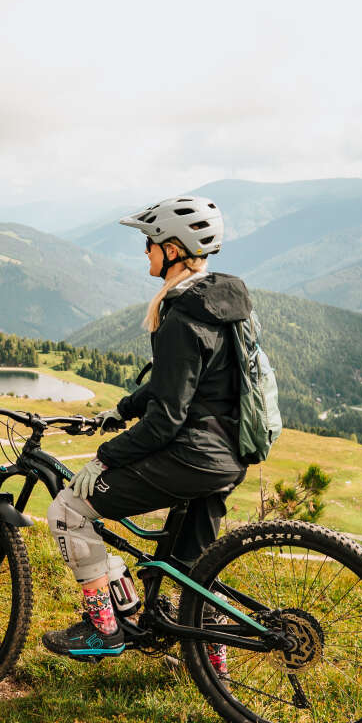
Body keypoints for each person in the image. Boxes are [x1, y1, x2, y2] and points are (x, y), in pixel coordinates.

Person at [41, 196, 250, 664]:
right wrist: (122, 408)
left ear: (173, 249)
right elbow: (178, 381)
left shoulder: (181, 316)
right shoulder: (218, 301)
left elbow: (167, 419)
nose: (145, 253)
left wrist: (106, 456)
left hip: (193, 455)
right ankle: (209, 664)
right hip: (229, 454)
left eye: (150, 243)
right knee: (192, 569)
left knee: (69, 510)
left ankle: (104, 630)